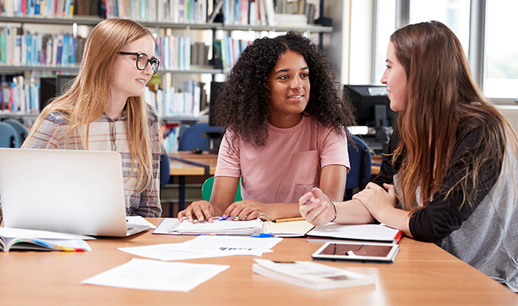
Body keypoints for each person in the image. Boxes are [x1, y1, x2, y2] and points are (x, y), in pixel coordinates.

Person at [300, 21, 518, 292]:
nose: (382, 78)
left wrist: (384, 210)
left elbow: (433, 223)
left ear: (420, 74)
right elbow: (376, 195)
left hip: (485, 282)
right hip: (428, 268)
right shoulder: (407, 126)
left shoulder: (484, 132)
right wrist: (331, 211)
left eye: (389, 66)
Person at [178, 32, 355, 223]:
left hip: (310, 235)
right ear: (261, 87)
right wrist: (204, 208)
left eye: (304, 75)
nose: (298, 85)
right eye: (284, 77)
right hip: (255, 239)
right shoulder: (238, 133)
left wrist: (271, 210)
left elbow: (330, 205)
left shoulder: (328, 129)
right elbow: (219, 207)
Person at [21, 18, 163, 217]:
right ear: (106, 58)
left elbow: (150, 209)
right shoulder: (59, 122)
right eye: (139, 58)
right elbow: (16, 195)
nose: (148, 71)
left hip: (128, 240)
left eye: (151, 62)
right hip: (69, 238)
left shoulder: (147, 120)